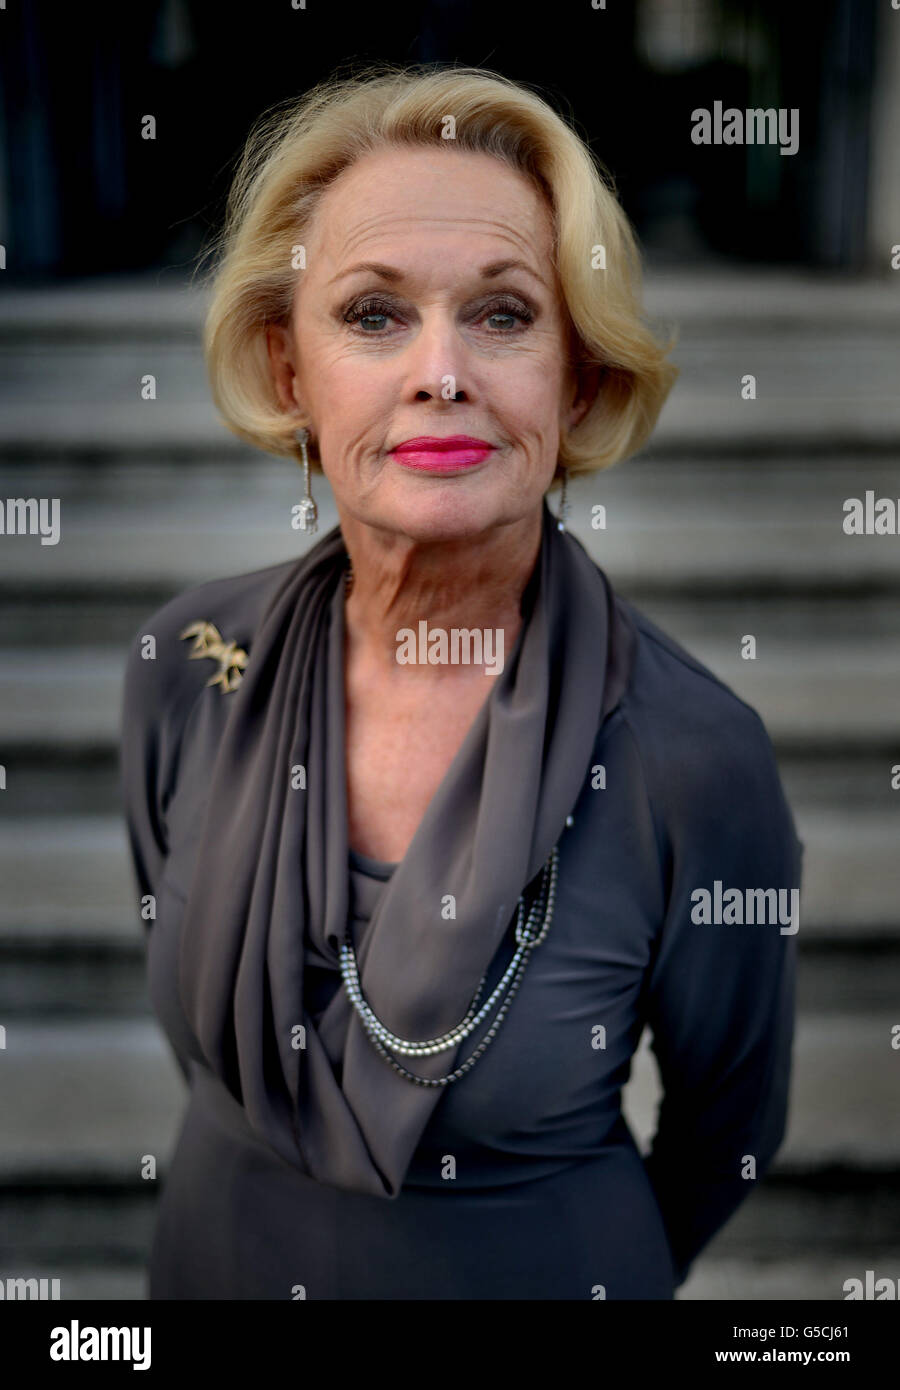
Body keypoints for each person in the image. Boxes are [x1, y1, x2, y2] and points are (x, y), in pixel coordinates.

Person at [120, 63, 803, 1300]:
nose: (441, 372)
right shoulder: (186, 668)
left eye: (502, 314)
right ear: (289, 375)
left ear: (578, 378)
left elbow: (728, 1131)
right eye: (374, 316)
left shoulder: (693, 754)